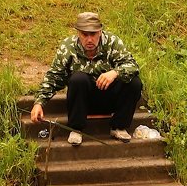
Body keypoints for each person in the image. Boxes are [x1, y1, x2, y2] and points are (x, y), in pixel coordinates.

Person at [29, 12, 160, 146]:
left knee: (134, 82)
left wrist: (115, 72)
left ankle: (119, 127)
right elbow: (54, 77)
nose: (89, 39)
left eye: (93, 34)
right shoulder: (68, 47)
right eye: (85, 35)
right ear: (78, 33)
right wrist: (39, 103)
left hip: (110, 99)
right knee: (77, 79)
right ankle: (76, 129)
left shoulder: (112, 42)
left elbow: (133, 66)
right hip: (82, 102)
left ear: (100, 32)